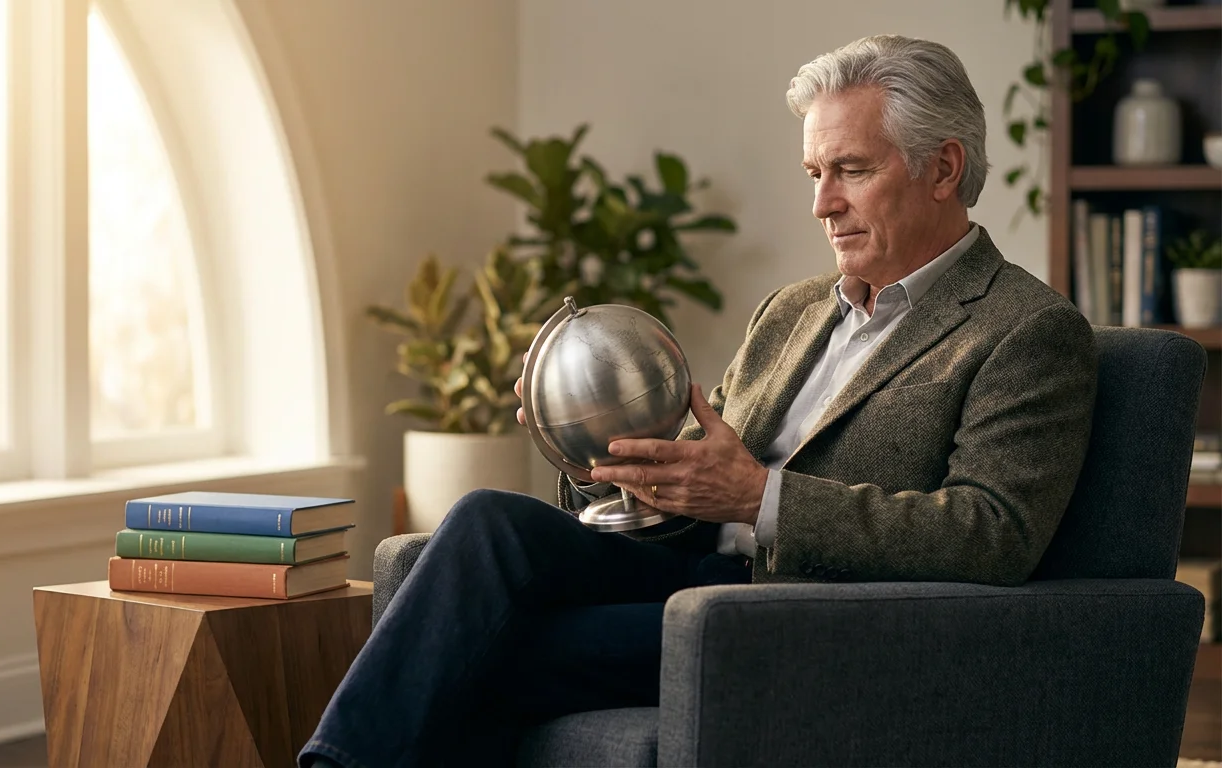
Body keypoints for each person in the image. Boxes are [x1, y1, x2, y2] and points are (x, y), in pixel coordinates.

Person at [298, 34, 1097, 768]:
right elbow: (693, 475)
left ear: (944, 169)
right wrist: (592, 452)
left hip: (794, 613)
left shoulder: (1024, 329)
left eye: (851, 171)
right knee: (486, 522)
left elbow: (994, 532)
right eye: (815, 175)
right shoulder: (792, 310)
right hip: (683, 569)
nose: (822, 204)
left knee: (472, 646)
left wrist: (762, 498)